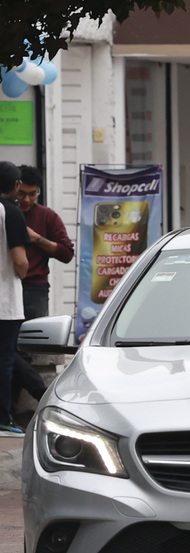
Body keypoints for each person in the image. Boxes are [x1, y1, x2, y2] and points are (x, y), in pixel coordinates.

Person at [14, 165, 72, 405]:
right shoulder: (5, 212)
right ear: (14, 188)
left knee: (24, 350)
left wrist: (36, 238)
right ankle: (39, 394)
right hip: (8, 286)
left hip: (34, 288)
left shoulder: (47, 216)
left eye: (33, 194)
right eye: (23, 194)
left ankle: (14, 409)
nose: (27, 199)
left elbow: (67, 253)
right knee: (10, 351)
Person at [0, 162, 30, 436]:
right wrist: (23, 271)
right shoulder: (11, 211)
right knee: (4, 359)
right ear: (17, 185)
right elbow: (20, 262)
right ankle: (3, 417)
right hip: (4, 302)